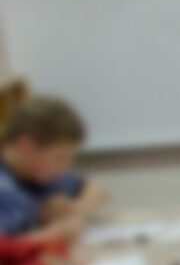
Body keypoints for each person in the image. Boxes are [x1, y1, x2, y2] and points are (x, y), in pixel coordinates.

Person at [0, 95, 109, 239]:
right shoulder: (5, 189)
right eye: (59, 158)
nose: (65, 166)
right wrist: (57, 232)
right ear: (25, 146)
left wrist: (75, 209)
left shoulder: (40, 173)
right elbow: (7, 248)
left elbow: (95, 189)